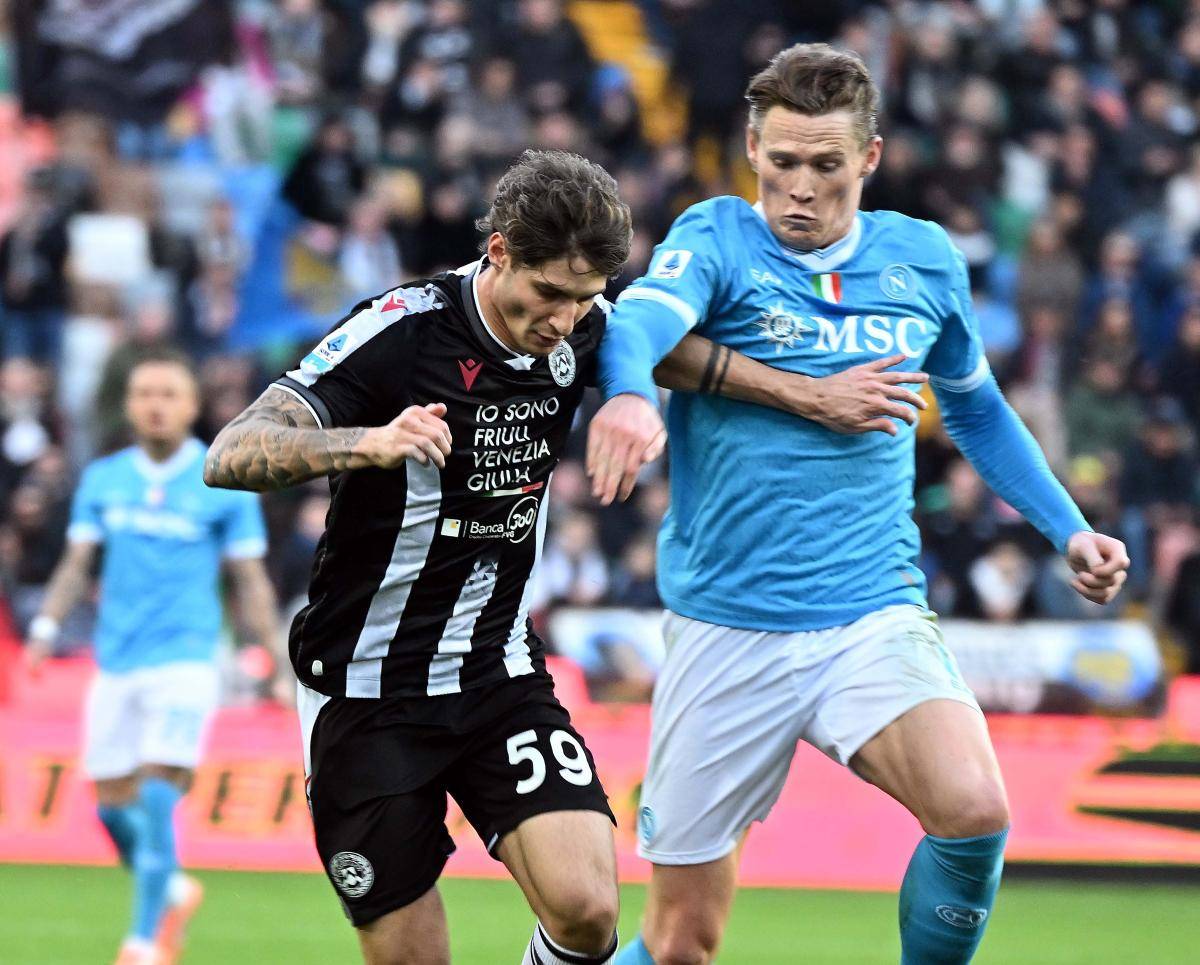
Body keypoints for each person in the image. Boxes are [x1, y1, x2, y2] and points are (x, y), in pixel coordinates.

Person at [202, 148, 927, 965]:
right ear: (500, 250)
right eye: (550, 293)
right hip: (365, 688)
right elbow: (231, 452)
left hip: (494, 670)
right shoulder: (403, 329)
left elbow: (666, 353)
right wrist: (365, 442)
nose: (565, 319)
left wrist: (804, 395)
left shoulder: (582, 326)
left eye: (585, 298)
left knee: (587, 908)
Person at [587, 44, 1131, 965]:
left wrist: (1068, 527)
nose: (801, 187)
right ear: (753, 149)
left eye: (826, 164)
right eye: (783, 161)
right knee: (680, 943)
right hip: (727, 624)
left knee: (974, 809)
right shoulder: (717, 236)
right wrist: (632, 397)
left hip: (869, 610)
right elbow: (637, 322)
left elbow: (977, 408)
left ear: (868, 158)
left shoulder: (923, 258)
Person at [25, 349, 279, 965]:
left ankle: (143, 942)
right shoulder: (104, 479)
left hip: (187, 659)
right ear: (129, 405)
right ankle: (171, 887)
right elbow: (76, 564)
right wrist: (46, 626)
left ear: (192, 406)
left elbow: (249, 578)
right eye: (145, 394)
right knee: (111, 808)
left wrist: (274, 656)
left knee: (160, 794)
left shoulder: (225, 480)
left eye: (169, 393)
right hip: (116, 659)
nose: (156, 405)